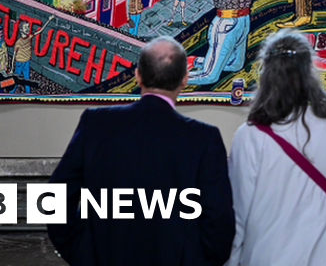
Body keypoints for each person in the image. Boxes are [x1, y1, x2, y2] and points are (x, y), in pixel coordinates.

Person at [48, 37, 235, 266]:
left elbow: (55, 197)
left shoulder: (95, 124)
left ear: (138, 76)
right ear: (185, 79)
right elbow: (219, 220)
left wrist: (81, 251)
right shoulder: (205, 139)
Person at [225, 29, 326, 266]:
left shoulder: (250, 134)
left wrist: (231, 260)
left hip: (271, 252)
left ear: (266, 75)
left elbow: (238, 213)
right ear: (310, 71)